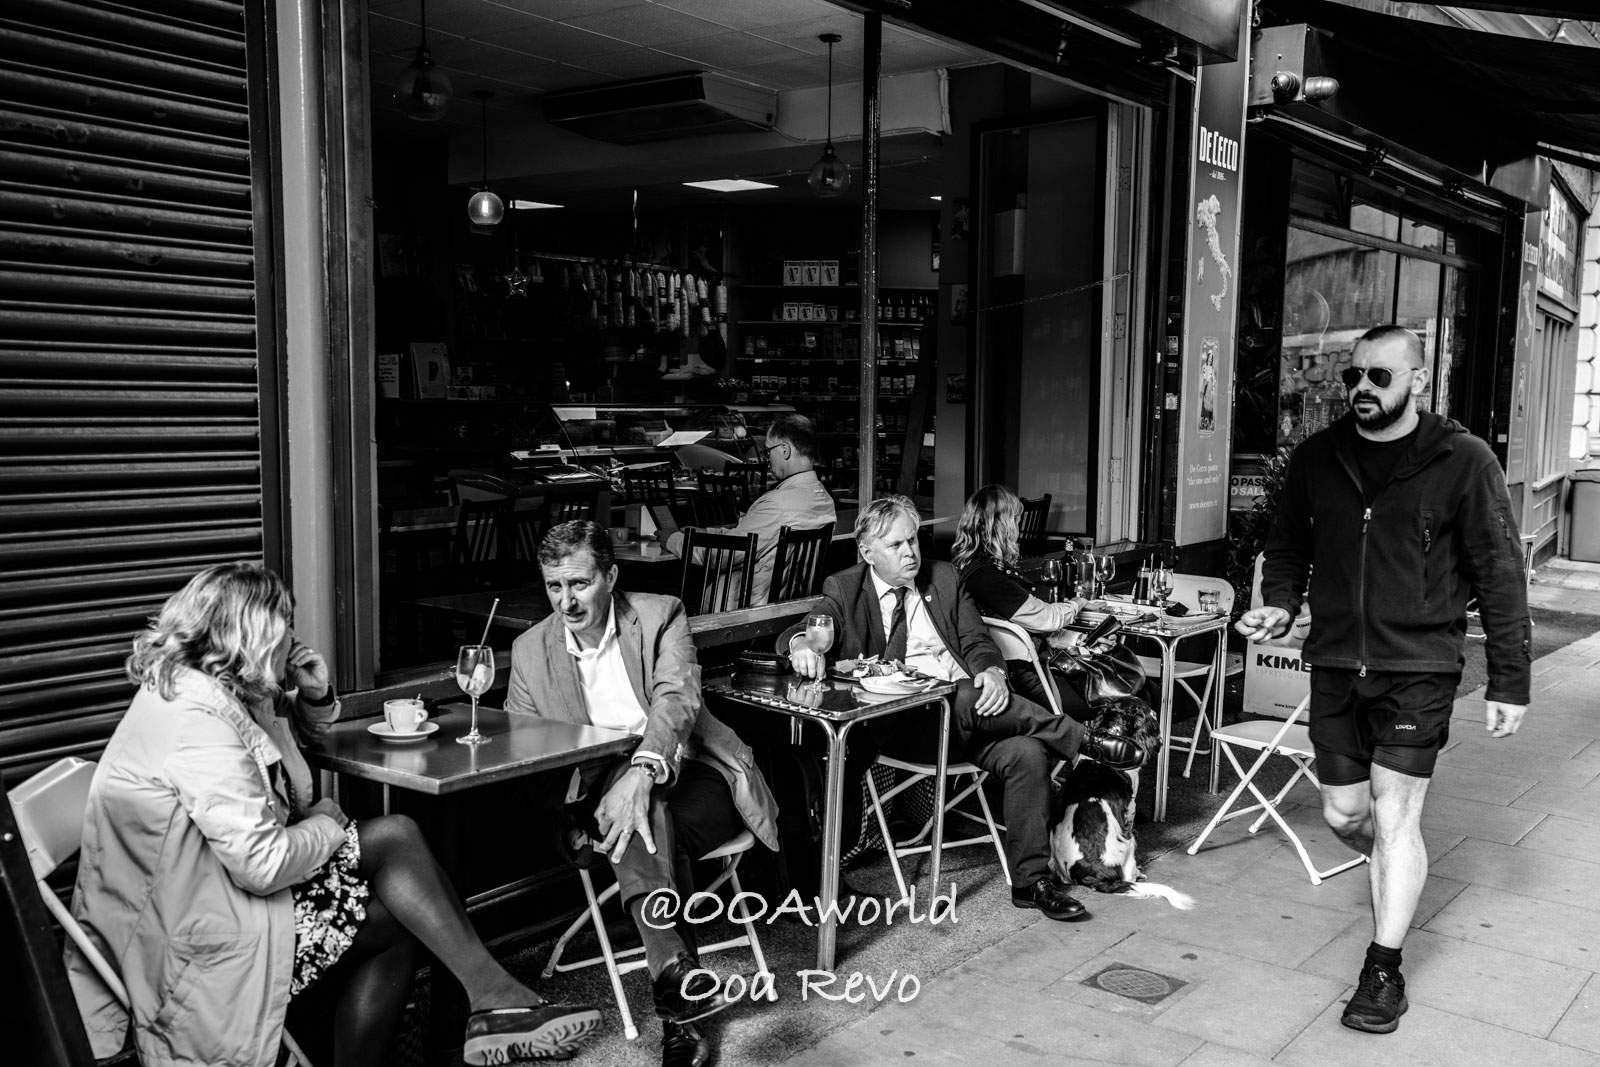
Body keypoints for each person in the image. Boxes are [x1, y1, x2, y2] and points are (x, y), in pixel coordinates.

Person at [65, 563, 598, 1067]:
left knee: (396, 835)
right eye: (286, 626)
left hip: (214, 897)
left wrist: (314, 696)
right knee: (394, 919)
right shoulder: (196, 725)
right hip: (191, 940)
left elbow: (277, 770)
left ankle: (490, 1003)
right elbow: (265, 863)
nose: (294, 638)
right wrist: (328, 822)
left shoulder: (213, 694)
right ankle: (491, 1005)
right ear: (254, 636)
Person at [1237, 325, 1531, 1035]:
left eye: (1379, 376)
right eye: (1353, 377)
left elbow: (1498, 566)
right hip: (1337, 662)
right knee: (1345, 814)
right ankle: (1401, 867)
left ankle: (1382, 969)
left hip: (1420, 667)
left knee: (1396, 816)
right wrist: (1279, 603)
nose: (1361, 389)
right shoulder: (1318, 457)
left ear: (1417, 381)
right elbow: (1288, 545)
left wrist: (1509, 679)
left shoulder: (1463, 460)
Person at [781, 494, 1142, 922]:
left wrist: (994, 673)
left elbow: (976, 641)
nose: (911, 552)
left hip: (974, 721)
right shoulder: (845, 587)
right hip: (909, 728)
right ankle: (1081, 739)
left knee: (1025, 752)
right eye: (896, 546)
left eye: (913, 540)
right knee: (959, 692)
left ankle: (1031, 883)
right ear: (867, 552)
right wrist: (800, 644)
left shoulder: (946, 579)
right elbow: (805, 628)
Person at [507, 521, 779, 1067]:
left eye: (579, 584)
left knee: (641, 804)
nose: (566, 601)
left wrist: (642, 769)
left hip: (693, 773)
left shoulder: (659, 615)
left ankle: (678, 993)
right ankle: (679, 995)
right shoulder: (529, 650)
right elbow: (527, 754)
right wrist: (618, 788)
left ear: (611, 575)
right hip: (597, 797)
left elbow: (677, 699)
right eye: (554, 587)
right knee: (646, 820)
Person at [951, 484, 1103, 723]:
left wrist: (1080, 640)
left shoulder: (977, 568)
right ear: (1001, 524)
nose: (1018, 527)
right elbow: (1046, 619)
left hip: (1034, 668)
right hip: (1026, 680)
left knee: (1130, 688)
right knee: (1124, 695)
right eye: (1016, 519)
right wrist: (1079, 602)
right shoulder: (984, 576)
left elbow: (1036, 626)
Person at [667, 412, 836, 604]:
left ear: (785, 450)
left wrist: (674, 540)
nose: (767, 458)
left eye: (768, 451)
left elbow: (722, 556)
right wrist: (705, 533)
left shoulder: (777, 505)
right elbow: (751, 538)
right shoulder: (823, 499)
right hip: (790, 606)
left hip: (745, 610)